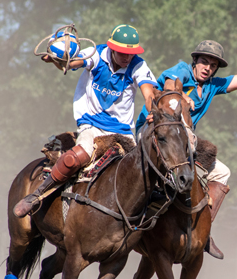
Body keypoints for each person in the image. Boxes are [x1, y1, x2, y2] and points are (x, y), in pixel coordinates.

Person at [135, 35, 237, 258]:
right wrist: (183, 96)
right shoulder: (182, 70)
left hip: (181, 143)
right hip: (154, 133)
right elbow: (170, 87)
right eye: (204, 62)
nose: (207, 68)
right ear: (195, 61)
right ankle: (134, 219)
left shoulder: (212, 86)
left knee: (222, 172)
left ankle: (203, 230)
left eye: (213, 65)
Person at [14, 24, 157, 218]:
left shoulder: (138, 65)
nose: (127, 57)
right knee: (77, 157)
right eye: (123, 53)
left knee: (146, 169)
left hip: (123, 131)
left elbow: (149, 93)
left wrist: (155, 111)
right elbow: (73, 63)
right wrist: (59, 59)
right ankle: (37, 195)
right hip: (92, 125)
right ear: (112, 48)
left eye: (131, 54)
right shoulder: (96, 53)